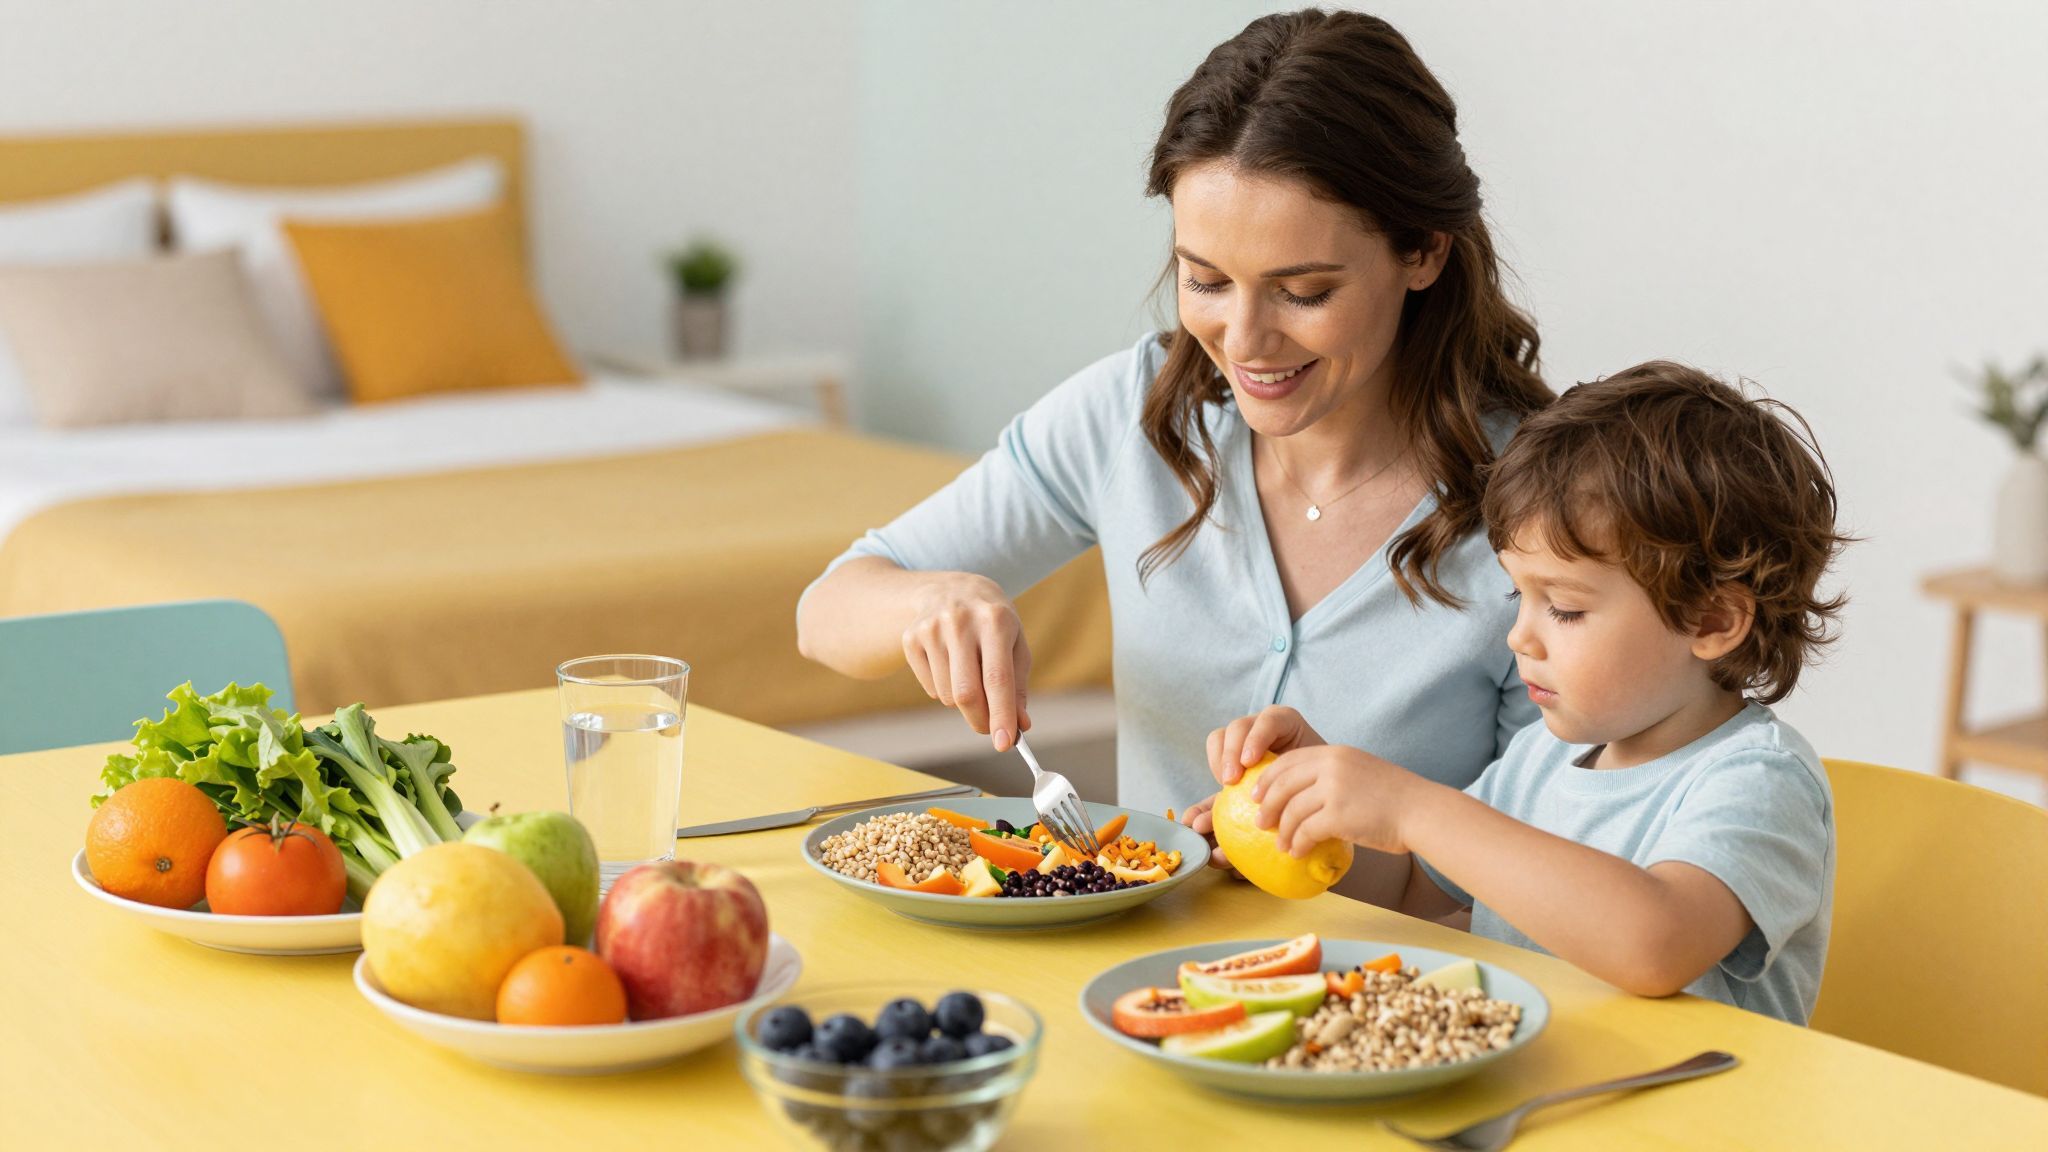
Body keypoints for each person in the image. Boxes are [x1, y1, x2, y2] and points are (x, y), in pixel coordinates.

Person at [797, 9, 1550, 901]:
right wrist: (929, 597)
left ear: (1423, 251)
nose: (1246, 340)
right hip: (1134, 991)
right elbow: (828, 612)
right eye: (1205, 280)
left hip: (1399, 1000)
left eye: (1303, 291)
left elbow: (1534, 894)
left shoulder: (1542, 510)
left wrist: (1327, 845)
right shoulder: (1136, 412)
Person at [1210, 362, 1848, 1022]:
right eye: (1520, 595)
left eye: (1565, 609)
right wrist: (1309, 815)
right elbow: (1407, 888)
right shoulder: (1540, 758)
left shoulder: (1758, 780)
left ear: (1711, 621)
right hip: (1534, 1098)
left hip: (1690, 1118)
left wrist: (1412, 809)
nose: (1520, 638)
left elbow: (1655, 946)